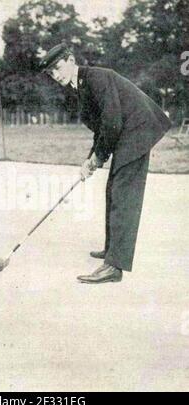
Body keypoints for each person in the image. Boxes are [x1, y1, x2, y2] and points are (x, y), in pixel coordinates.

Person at [40, 43, 171, 284]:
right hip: (126, 130)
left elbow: (112, 122)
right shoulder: (80, 86)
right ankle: (113, 250)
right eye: (51, 73)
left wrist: (97, 157)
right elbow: (102, 127)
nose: (56, 75)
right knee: (113, 189)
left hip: (138, 129)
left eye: (57, 67)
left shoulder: (97, 78)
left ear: (70, 60)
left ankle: (115, 266)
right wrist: (91, 159)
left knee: (124, 194)